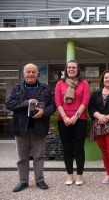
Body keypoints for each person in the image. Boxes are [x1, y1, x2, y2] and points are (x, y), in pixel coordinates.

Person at [5, 63, 56, 192]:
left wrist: (44, 113)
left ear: (37, 74)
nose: (31, 74)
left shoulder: (45, 88)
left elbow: (52, 105)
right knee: (22, 157)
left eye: (33, 72)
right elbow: (9, 103)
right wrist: (25, 103)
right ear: (24, 74)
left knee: (39, 156)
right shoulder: (17, 88)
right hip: (21, 127)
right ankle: (23, 181)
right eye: (28, 72)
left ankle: (40, 180)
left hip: (39, 127)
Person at [55, 60, 90, 186]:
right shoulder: (60, 83)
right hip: (63, 120)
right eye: (69, 67)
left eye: (73, 67)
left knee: (79, 148)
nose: (71, 69)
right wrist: (64, 117)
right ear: (66, 69)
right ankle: (70, 175)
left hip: (80, 119)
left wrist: (76, 116)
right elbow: (58, 102)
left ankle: (79, 175)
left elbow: (85, 101)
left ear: (78, 69)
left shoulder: (84, 83)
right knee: (67, 148)